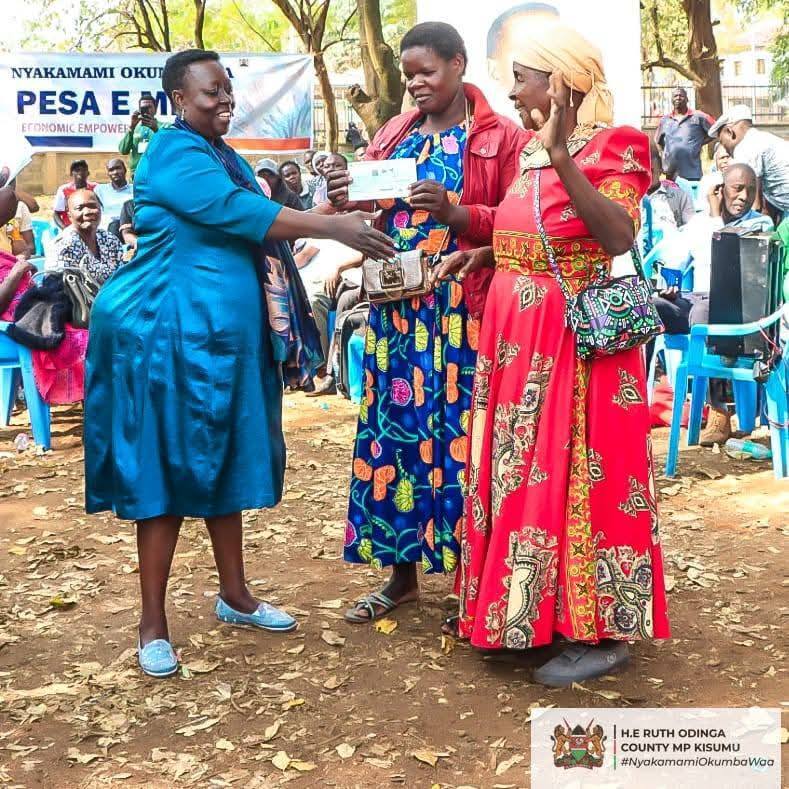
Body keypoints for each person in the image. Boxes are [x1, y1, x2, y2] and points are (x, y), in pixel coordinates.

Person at [83, 49, 393, 679]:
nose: (223, 101)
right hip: (164, 337)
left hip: (222, 341)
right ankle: (152, 624)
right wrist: (332, 231)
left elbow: (266, 228)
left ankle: (236, 595)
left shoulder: (224, 156)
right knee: (164, 476)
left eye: (227, 91)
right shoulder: (173, 153)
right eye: (209, 93)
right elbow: (242, 215)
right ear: (176, 98)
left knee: (222, 462)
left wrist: (338, 212)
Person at [437, 20, 670, 686]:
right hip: (517, 338)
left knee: (580, 476)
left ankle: (599, 632)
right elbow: (538, 231)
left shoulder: (613, 144)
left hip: (572, 346)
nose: (510, 90)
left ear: (561, 82)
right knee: (522, 473)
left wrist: (563, 156)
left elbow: (615, 234)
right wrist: (487, 248)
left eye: (521, 77)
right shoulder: (531, 150)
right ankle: (522, 614)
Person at [327, 22, 527, 624]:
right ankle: (401, 577)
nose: (415, 83)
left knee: (467, 442)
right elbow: (366, 206)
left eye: (427, 72)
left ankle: (474, 582)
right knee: (396, 438)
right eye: (409, 73)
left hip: (466, 312)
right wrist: (344, 191)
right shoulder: (393, 133)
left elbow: (520, 227)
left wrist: (455, 210)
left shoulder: (501, 138)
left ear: (459, 65)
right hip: (397, 317)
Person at [654, 164, 774, 445]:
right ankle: (637, 397)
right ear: (720, 190)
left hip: (739, 307)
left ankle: (718, 410)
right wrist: (670, 287)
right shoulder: (700, 224)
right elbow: (674, 264)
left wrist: (716, 219)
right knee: (651, 307)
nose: (744, 196)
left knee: (706, 311)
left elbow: (741, 254)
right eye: (737, 188)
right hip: (695, 299)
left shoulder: (760, 224)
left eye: (751, 190)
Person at [710, 104, 789, 222]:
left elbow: (754, 205)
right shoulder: (764, 138)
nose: (725, 149)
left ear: (729, 132)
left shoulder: (745, 147)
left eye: (723, 142)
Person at [53, 189, 125, 284]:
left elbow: (122, 276)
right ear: (69, 216)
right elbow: (63, 288)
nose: (87, 212)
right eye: (79, 208)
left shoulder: (109, 240)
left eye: (92, 206)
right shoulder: (64, 246)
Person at [655, 87, 713, 182]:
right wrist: (662, 154)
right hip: (670, 173)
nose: (678, 98)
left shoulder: (699, 116)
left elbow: (715, 130)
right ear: (672, 100)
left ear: (687, 99)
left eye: (681, 95)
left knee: (691, 197)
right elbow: (657, 140)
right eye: (675, 96)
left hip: (692, 173)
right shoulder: (665, 120)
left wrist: (700, 142)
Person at [119, 95, 164, 178]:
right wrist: (132, 127)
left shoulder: (164, 127)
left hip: (157, 173)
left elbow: (169, 147)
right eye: (143, 108)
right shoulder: (134, 128)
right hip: (137, 175)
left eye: (149, 107)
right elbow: (123, 150)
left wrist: (156, 130)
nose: (146, 111)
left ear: (155, 109)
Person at [53, 160, 97, 229]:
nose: (80, 173)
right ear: (71, 174)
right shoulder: (63, 190)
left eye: (83, 170)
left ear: (88, 173)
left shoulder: (96, 188)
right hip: (70, 227)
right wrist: (65, 229)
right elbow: (56, 214)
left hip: (92, 227)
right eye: (77, 170)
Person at [95, 159, 134, 232]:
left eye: (118, 168)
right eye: (111, 170)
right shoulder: (100, 190)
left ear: (125, 170)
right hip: (108, 228)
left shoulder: (134, 189)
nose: (115, 172)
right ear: (108, 173)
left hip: (130, 226)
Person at [697, 143, 731, 215]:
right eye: (721, 158)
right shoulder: (708, 180)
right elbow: (702, 208)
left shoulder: (744, 178)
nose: (725, 161)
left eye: (728, 157)